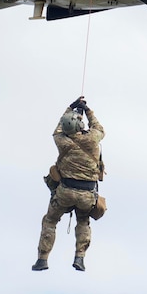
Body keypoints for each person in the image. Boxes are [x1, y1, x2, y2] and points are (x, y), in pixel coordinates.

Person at [32, 97, 105, 273]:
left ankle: (42, 259)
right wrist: (87, 110)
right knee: (83, 221)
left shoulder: (61, 141)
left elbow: (58, 129)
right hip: (87, 195)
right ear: (80, 126)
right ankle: (79, 257)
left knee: (50, 221)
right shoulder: (93, 139)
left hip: (65, 192)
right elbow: (99, 128)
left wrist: (70, 107)